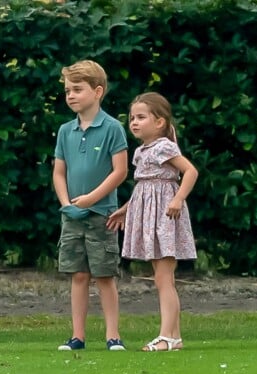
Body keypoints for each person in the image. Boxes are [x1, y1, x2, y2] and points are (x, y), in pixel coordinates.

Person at [107, 92, 198, 352]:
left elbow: (190, 171)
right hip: (149, 216)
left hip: (165, 217)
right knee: (161, 277)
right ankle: (174, 336)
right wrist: (127, 209)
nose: (134, 122)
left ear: (159, 122)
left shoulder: (165, 147)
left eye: (141, 117)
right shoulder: (141, 152)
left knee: (163, 277)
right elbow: (143, 188)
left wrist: (178, 199)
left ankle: (167, 336)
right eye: (132, 118)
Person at [52, 60, 129, 351]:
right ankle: (78, 337)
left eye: (77, 89)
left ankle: (113, 336)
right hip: (71, 216)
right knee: (78, 275)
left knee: (104, 275)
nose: (70, 95)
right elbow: (59, 172)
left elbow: (119, 171)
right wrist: (66, 203)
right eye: (68, 90)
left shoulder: (113, 128)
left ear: (97, 91)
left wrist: (91, 199)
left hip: (102, 214)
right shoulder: (65, 131)